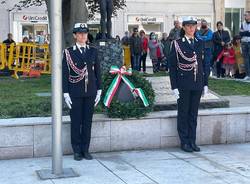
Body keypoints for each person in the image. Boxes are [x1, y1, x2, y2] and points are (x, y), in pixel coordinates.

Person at [62, 23, 102, 161]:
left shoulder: (93, 51)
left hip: (90, 91)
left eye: (85, 33)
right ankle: (77, 150)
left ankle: (85, 149)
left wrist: (100, 90)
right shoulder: (69, 52)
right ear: (75, 36)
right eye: (79, 33)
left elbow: (97, 72)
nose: (83, 35)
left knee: (87, 122)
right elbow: (65, 73)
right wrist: (65, 92)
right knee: (76, 122)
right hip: (75, 92)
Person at [169, 16, 208, 153]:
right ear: (184, 27)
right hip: (183, 84)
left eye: (193, 26)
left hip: (197, 83)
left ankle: (192, 141)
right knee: (183, 113)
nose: (192, 28)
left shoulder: (200, 42)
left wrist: (205, 83)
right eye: (189, 26)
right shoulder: (177, 44)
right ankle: (184, 142)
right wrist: (174, 86)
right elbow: (172, 67)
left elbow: (204, 64)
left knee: (193, 114)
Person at [240, 11, 250, 80]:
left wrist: (244, 32)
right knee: (246, 60)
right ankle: (247, 75)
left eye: (246, 15)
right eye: (244, 15)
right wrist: (246, 32)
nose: (245, 16)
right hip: (244, 43)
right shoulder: (242, 23)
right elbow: (240, 33)